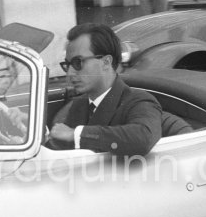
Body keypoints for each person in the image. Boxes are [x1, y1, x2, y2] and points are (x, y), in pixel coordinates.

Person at [49, 23, 163, 156]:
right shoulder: (79, 104)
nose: (70, 73)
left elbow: (143, 138)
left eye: (77, 63)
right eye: (67, 65)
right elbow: (63, 150)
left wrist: (77, 134)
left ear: (106, 62)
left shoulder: (138, 101)